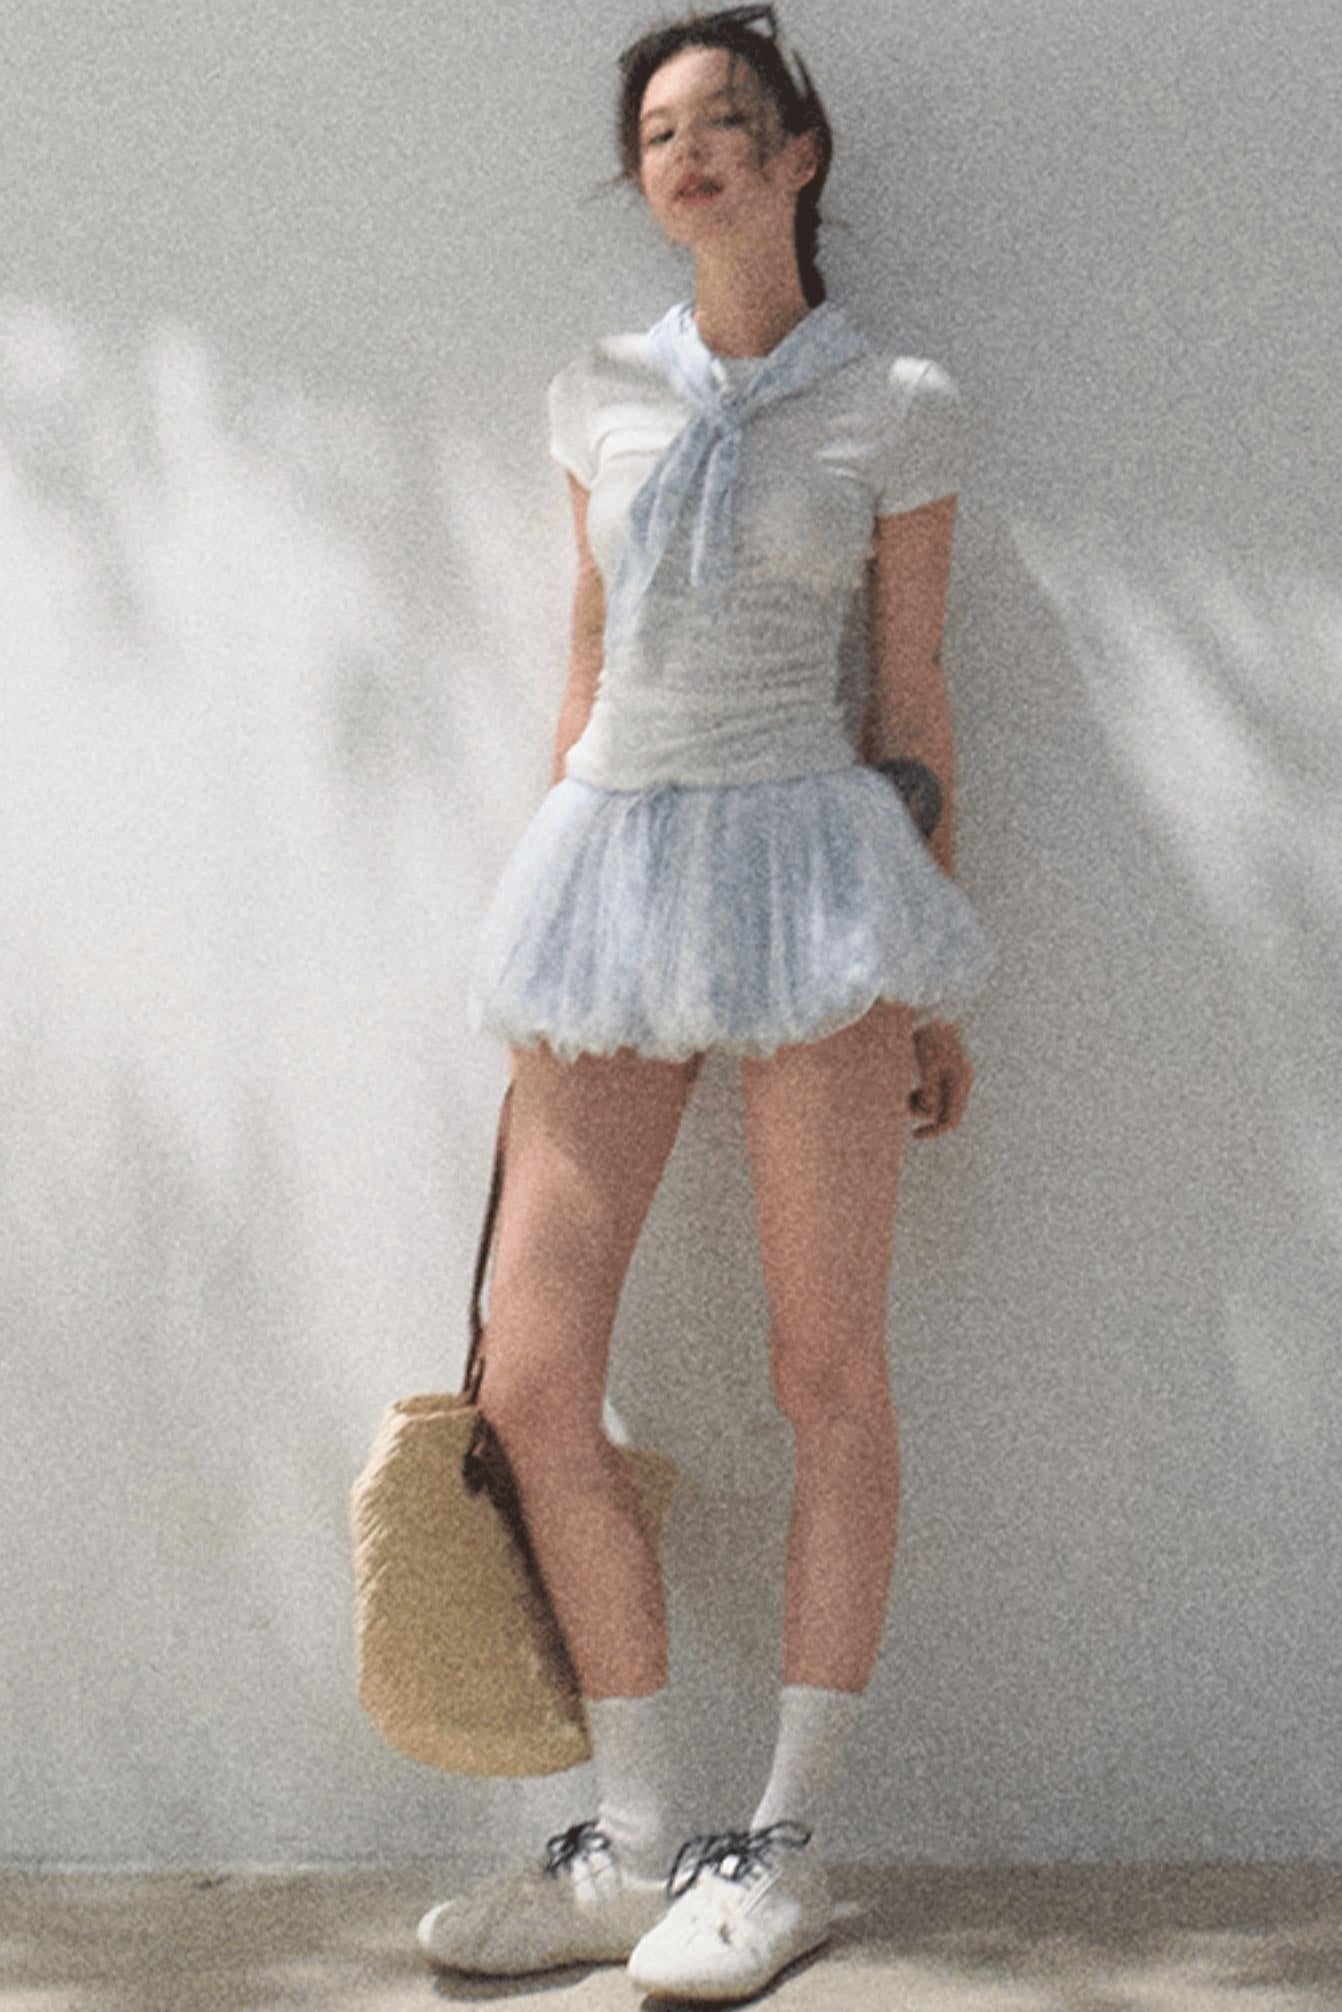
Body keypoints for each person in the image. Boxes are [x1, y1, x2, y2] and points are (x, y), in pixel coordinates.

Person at [417, 5, 993, 1998]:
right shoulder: (595, 393)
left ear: (797, 154)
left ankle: (787, 1841)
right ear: (640, 175)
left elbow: (907, 697)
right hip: (609, 865)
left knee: (824, 1371)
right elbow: (583, 670)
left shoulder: (895, 403)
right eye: (657, 130)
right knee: (529, 1377)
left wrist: (927, 972)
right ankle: (634, 1839)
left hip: (816, 875)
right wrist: (540, 942)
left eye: (727, 120)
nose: (690, 152)